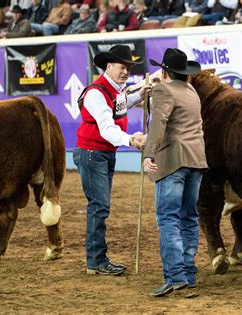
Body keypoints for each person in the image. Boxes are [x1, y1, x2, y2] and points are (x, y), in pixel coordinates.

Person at [73, 45, 151, 276]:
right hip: (93, 153)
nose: (126, 71)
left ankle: (96, 259)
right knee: (99, 206)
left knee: (99, 206)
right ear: (109, 66)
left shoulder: (113, 90)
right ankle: (96, 261)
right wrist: (131, 140)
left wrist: (139, 96)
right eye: (122, 66)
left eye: (128, 67)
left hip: (100, 153)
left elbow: (119, 106)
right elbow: (107, 128)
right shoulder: (97, 92)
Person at [143, 48, 208, 297]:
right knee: (188, 217)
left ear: (165, 71)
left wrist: (149, 153)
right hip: (196, 160)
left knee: (168, 218)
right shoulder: (191, 91)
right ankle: (188, 274)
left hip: (173, 161)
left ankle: (175, 276)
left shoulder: (163, 90)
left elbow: (158, 124)